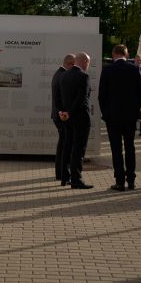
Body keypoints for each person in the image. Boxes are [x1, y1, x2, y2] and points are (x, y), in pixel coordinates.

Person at [99, 44, 141, 191]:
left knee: (116, 149)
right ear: (126, 54)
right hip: (130, 116)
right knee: (130, 147)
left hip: (112, 116)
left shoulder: (107, 70)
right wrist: (136, 109)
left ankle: (119, 181)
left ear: (113, 54)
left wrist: (106, 113)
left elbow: (102, 95)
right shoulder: (134, 69)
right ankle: (131, 180)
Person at [58, 51, 94, 189]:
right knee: (79, 149)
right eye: (88, 63)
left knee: (68, 147)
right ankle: (76, 179)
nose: (88, 65)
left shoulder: (64, 75)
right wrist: (70, 113)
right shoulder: (84, 76)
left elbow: (60, 97)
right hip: (80, 118)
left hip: (67, 119)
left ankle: (65, 177)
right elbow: (82, 99)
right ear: (84, 61)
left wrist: (64, 112)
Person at [50, 54, 75, 182]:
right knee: (65, 145)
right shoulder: (62, 75)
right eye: (74, 66)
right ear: (70, 64)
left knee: (62, 144)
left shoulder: (58, 74)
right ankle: (62, 172)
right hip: (61, 115)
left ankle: (60, 172)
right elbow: (62, 99)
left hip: (58, 114)